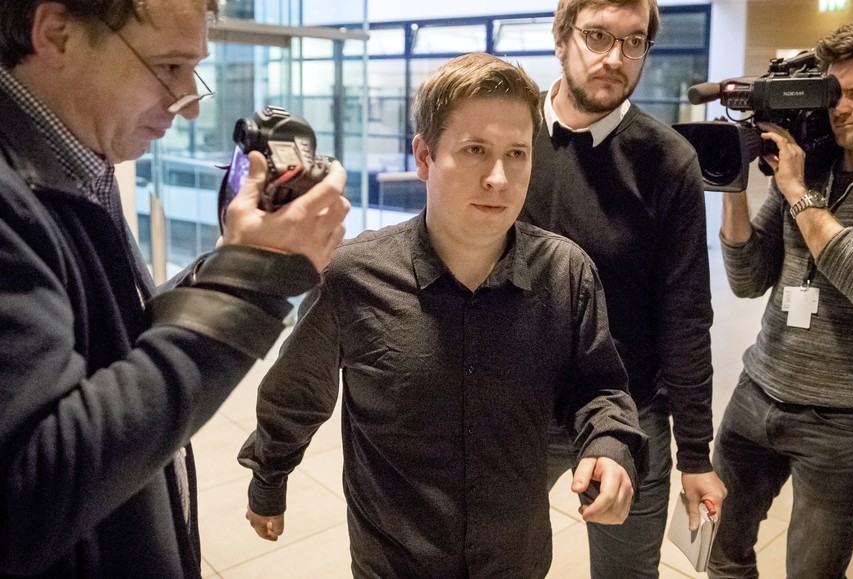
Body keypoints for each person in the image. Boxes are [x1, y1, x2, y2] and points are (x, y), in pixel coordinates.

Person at [238, 52, 649, 578]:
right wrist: (268, 478)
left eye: (517, 153)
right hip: (395, 563)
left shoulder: (565, 273)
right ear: (425, 157)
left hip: (515, 561)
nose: (499, 178)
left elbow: (600, 387)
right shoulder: (353, 276)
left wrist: (609, 444)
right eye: (475, 150)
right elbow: (297, 392)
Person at [0, 0, 348, 576]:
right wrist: (250, 281)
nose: (188, 107)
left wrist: (230, 261)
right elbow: (29, 492)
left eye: (194, 69)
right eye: (167, 67)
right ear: (56, 34)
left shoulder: (79, 161)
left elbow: (113, 349)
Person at [517, 0, 728, 576]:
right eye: (597, 36)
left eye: (633, 42)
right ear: (561, 39)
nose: (615, 58)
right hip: (514, 402)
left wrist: (695, 455)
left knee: (627, 573)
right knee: (489, 558)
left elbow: (685, 315)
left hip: (629, 409)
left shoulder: (667, 160)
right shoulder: (510, 136)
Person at [708, 17, 853, 579]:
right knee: (721, 553)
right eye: (834, 93)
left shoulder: (804, 181)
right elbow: (749, 279)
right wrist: (732, 188)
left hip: (846, 422)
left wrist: (799, 195)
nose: (840, 108)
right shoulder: (814, 165)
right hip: (758, 391)